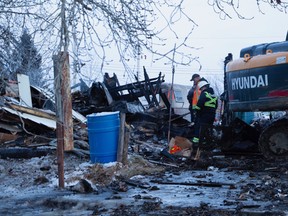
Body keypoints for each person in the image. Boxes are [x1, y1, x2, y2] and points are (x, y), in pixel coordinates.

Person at [192, 79, 218, 148]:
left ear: (204, 87)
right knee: (208, 129)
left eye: (201, 88)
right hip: (212, 116)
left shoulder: (204, 94)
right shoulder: (214, 95)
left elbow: (200, 103)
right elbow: (216, 106)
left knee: (199, 128)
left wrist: (196, 112)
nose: (201, 90)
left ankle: (196, 144)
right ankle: (208, 143)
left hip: (204, 115)